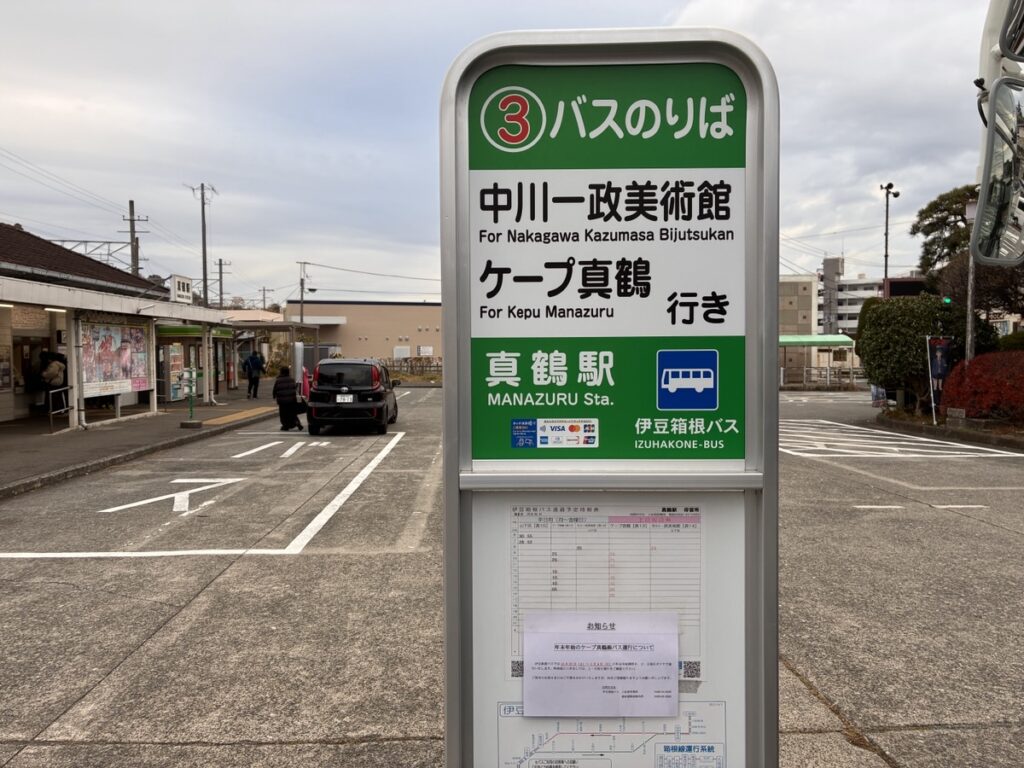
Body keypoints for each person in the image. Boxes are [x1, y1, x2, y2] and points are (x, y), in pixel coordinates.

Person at [272, 365, 303, 431]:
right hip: (291, 400)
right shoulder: (291, 379)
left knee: (283, 414)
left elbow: (275, 389)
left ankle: (285, 426)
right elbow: (294, 388)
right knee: (292, 413)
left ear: (281, 372)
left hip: (282, 401)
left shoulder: (278, 380)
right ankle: (297, 422)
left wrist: (274, 396)